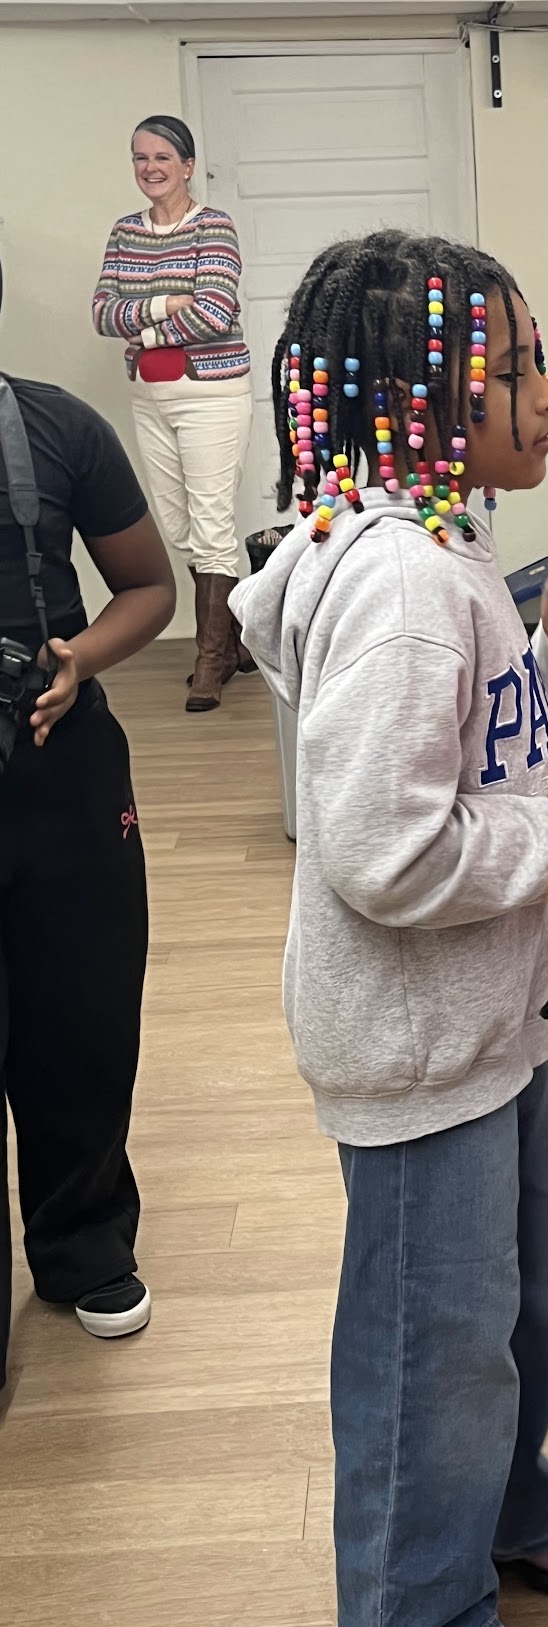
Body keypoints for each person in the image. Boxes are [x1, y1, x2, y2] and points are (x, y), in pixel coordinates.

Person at [231, 229, 548, 1627]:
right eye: (519, 368)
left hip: (483, 1027)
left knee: (526, 1296)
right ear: (425, 398)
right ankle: (410, 1626)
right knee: (431, 1347)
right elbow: (387, 849)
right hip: (415, 1048)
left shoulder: (441, 545)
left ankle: (505, 1511)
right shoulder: (402, 583)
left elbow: (478, 750)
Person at [0, 253, 175, 1388]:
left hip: (60, 761)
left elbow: (148, 587)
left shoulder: (57, 427)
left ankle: (81, 1242)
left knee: (82, 1016)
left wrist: (77, 661)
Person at [92, 114, 253, 713]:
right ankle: (234, 640)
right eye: (141, 158)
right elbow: (103, 314)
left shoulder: (214, 227)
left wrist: (145, 331)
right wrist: (167, 304)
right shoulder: (125, 232)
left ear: (187, 166)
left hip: (213, 395)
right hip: (151, 400)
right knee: (180, 528)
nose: (150, 168)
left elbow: (215, 313)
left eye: (162, 157)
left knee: (211, 525)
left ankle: (210, 661)